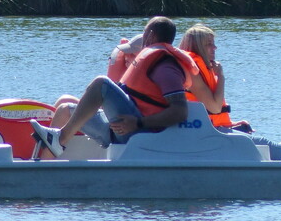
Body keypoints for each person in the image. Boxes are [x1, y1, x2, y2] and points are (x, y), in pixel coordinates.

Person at [30, 16, 196, 158]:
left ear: (150, 35)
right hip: (118, 129)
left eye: (144, 32)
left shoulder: (165, 67)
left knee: (101, 83)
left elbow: (180, 112)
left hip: (139, 134)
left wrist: (138, 123)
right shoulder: (150, 60)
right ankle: (44, 169)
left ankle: (60, 139)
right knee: (66, 109)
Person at [178, 23, 281, 159]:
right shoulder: (192, 71)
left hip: (212, 130)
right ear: (197, 46)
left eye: (213, 43)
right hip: (208, 135)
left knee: (262, 142)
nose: (215, 48)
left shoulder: (198, 68)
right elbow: (214, 108)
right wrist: (221, 77)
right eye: (209, 44)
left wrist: (232, 125)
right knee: (263, 144)